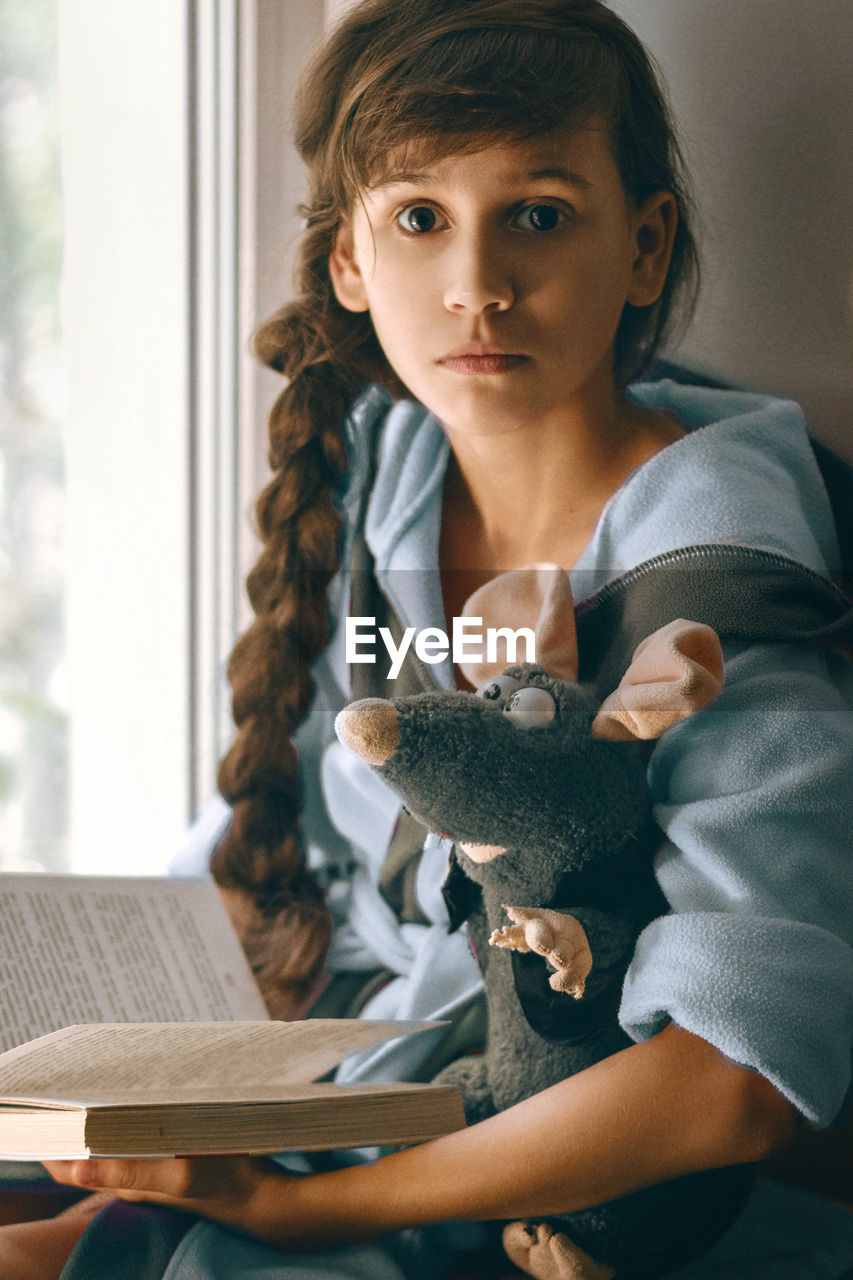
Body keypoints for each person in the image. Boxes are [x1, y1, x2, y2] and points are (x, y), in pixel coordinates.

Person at [2, 0, 852, 1276]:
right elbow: (281, 836)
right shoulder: (383, 466)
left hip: (572, 1153)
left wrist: (304, 1209)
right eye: (418, 218)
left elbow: (738, 1076)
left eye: (540, 212)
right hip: (348, 1063)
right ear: (349, 260)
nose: (477, 284)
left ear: (643, 242)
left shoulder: (718, 559)